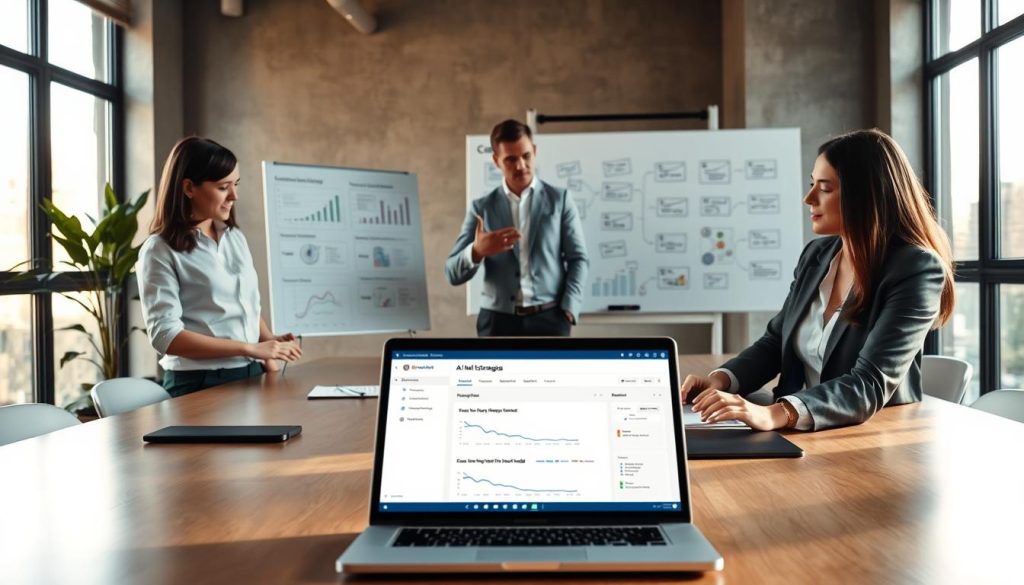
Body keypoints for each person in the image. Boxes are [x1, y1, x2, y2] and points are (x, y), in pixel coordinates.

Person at [684, 129, 955, 431]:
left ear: (865, 196)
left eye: (825, 189)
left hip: (871, 436)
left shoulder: (915, 269)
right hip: (803, 430)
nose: (808, 198)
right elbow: (776, 342)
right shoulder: (818, 254)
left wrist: (773, 414)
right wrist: (719, 381)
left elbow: (869, 383)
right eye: (812, 184)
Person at [137, 137, 302, 397]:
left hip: (251, 373)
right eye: (224, 187)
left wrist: (268, 344)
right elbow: (165, 337)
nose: (234, 196)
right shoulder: (159, 249)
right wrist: (249, 348)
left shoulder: (234, 236)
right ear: (189, 188)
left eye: (235, 184)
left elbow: (245, 304)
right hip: (198, 383)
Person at [445, 119, 589, 336]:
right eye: (511, 159)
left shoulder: (560, 200)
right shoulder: (481, 208)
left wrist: (570, 307)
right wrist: (476, 251)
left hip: (551, 319)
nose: (521, 165)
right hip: (497, 323)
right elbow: (451, 273)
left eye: (526, 156)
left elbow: (578, 259)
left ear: (535, 151)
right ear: (496, 161)